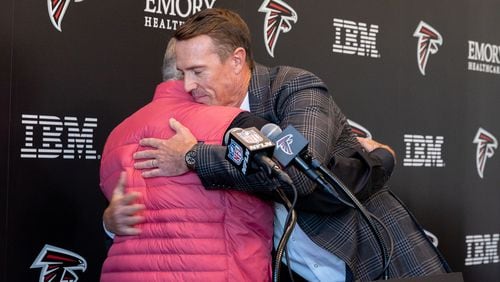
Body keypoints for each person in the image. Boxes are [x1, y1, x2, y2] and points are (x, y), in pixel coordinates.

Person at [106, 8, 450, 281]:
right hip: (299, 271)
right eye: (181, 73)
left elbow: (297, 171)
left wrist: (195, 156)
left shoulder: (294, 88)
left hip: (377, 261)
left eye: (198, 71)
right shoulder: (201, 116)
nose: (188, 85)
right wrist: (110, 220)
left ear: (237, 60)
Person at [99, 38, 274, 282]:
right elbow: (290, 178)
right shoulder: (235, 123)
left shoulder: (116, 136)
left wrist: (108, 222)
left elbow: (118, 216)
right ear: (183, 70)